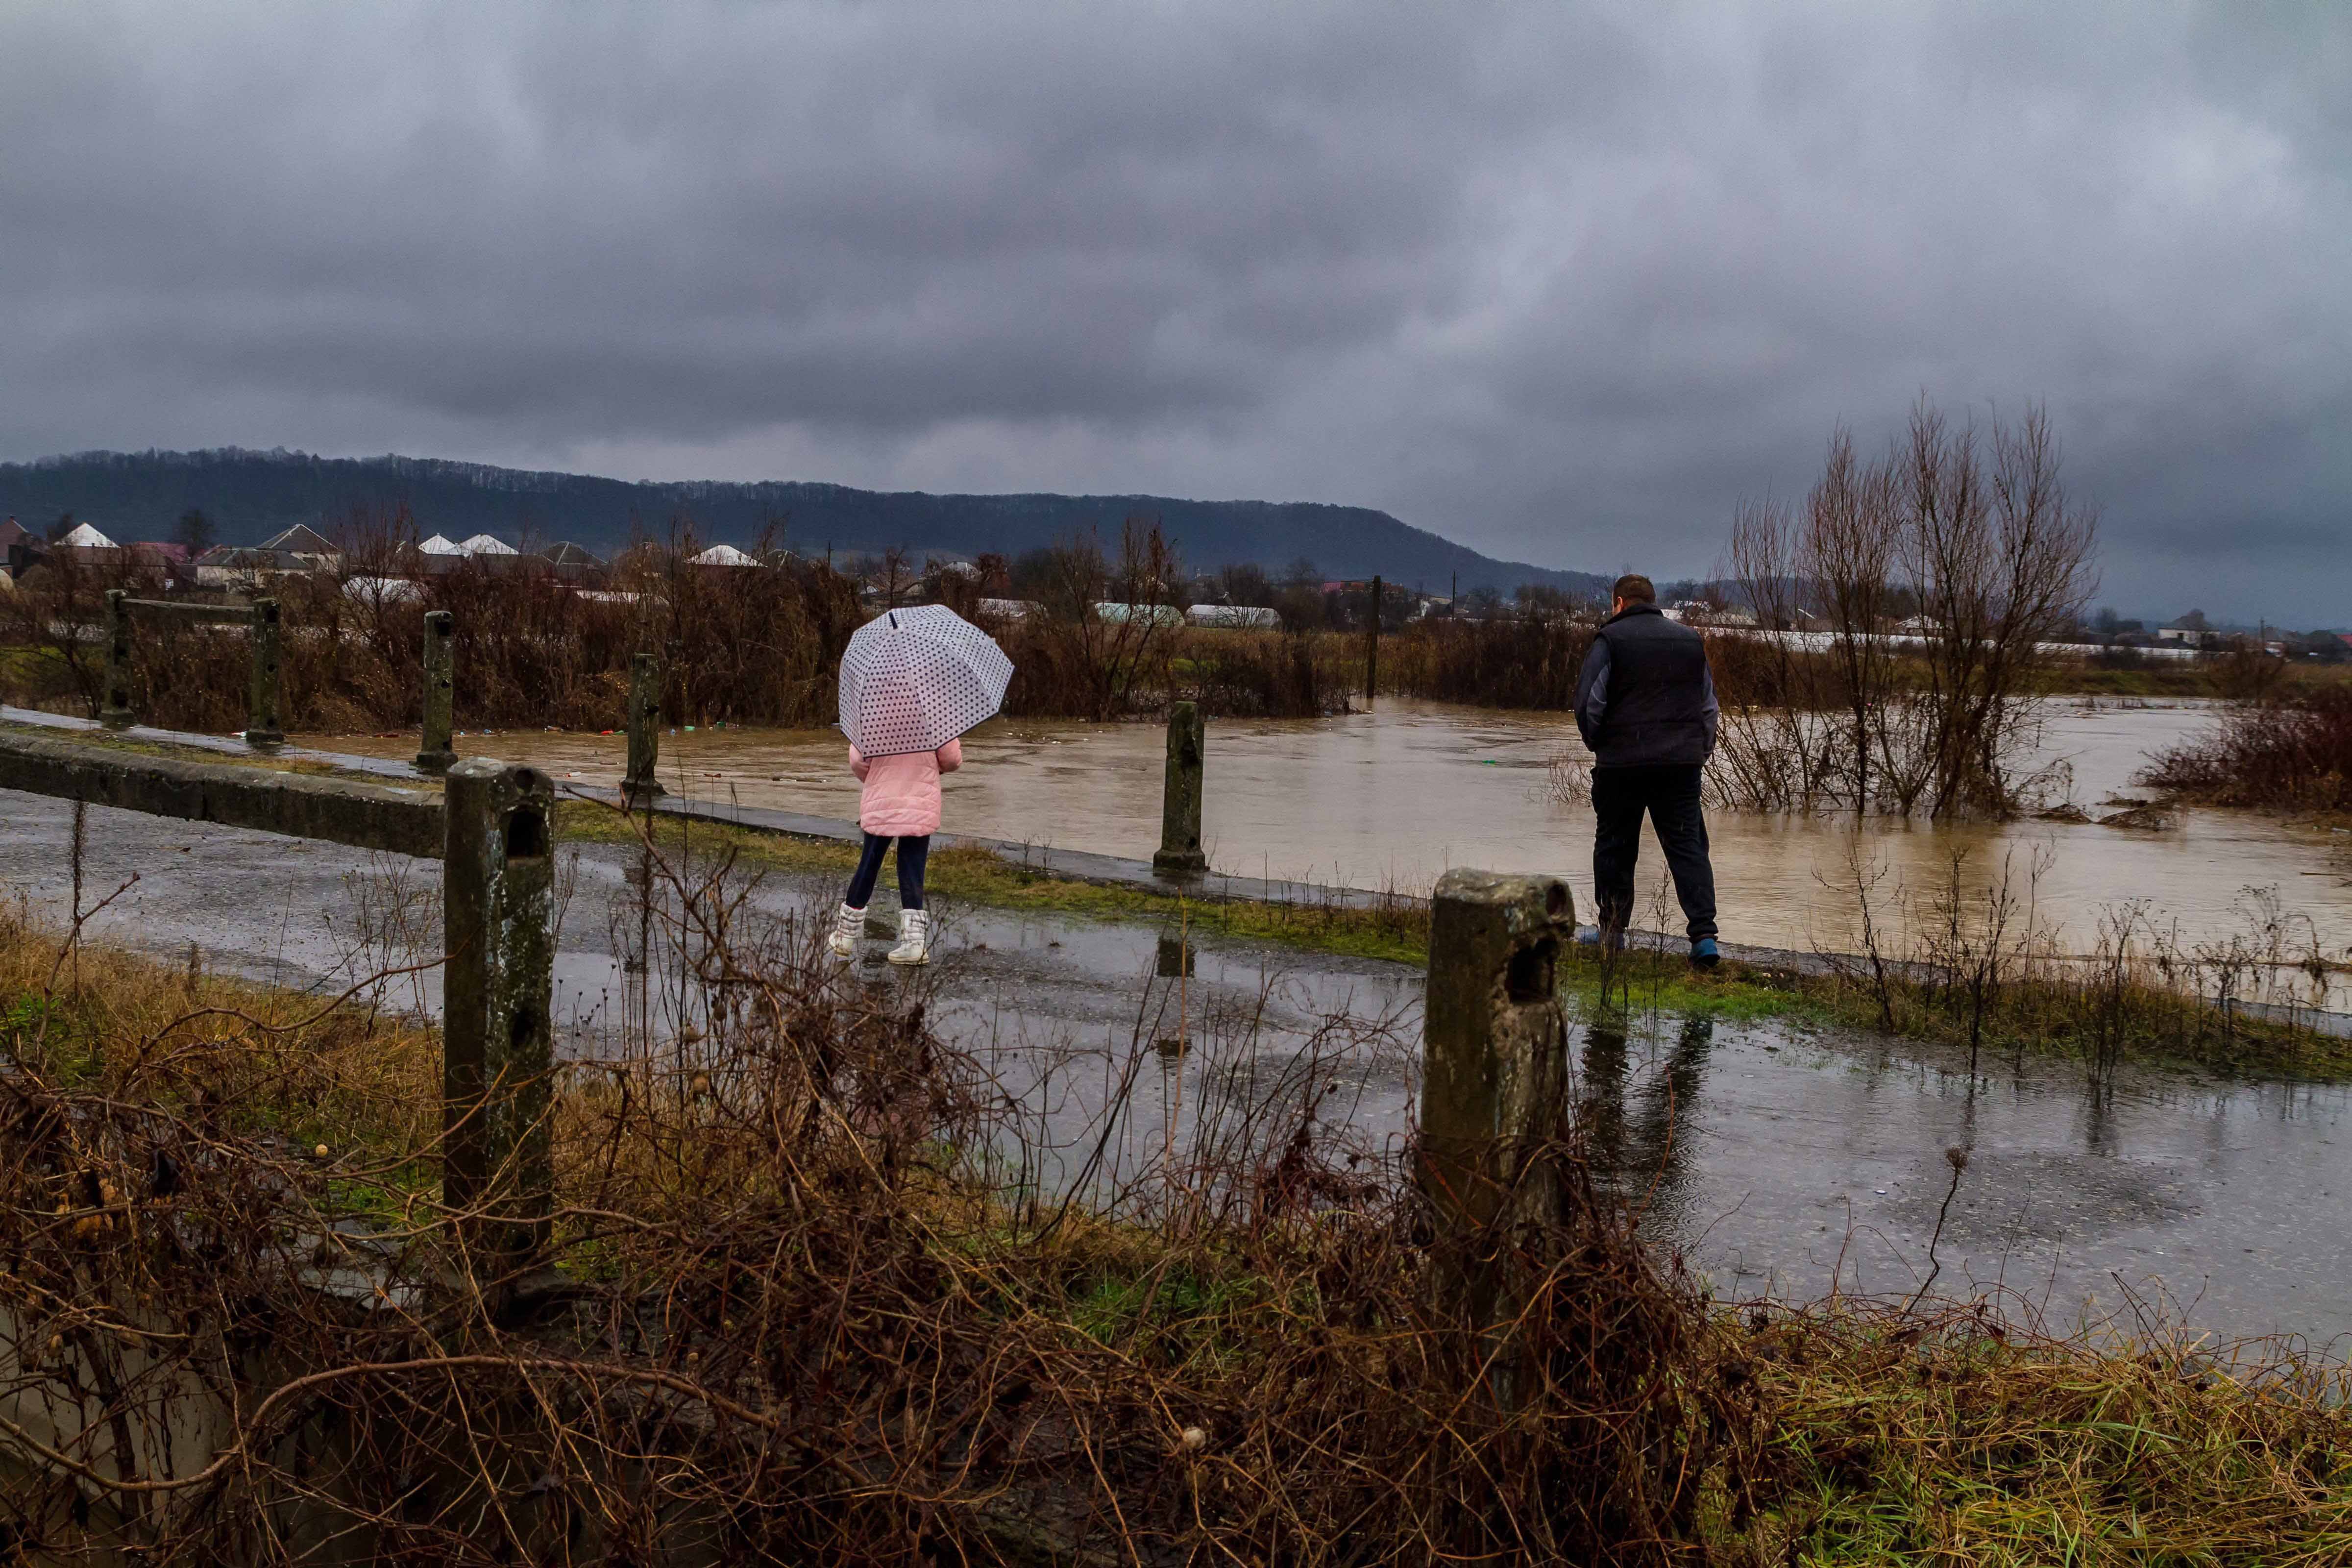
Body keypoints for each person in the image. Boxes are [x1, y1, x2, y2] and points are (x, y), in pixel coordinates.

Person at [1573, 574, 1721, 967]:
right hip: (1680, 766)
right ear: (1652, 602)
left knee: (1615, 847)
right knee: (1688, 847)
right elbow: (1709, 708)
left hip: (1622, 766)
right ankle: (1704, 937)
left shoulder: (1610, 640)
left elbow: (1590, 704)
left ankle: (1613, 933)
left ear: (1619, 603)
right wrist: (1698, 753)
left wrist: (1600, 746)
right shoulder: (1690, 641)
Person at [828, 736, 962, 966]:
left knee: (869, 864)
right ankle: (914, 945)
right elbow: (952, 759)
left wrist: (875, 779)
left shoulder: (873, 715)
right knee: (913, 867)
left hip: (882, 800)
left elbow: (858, 762)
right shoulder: (934, 715)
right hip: (920, 801)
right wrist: (930, 769)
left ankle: (845, 936)